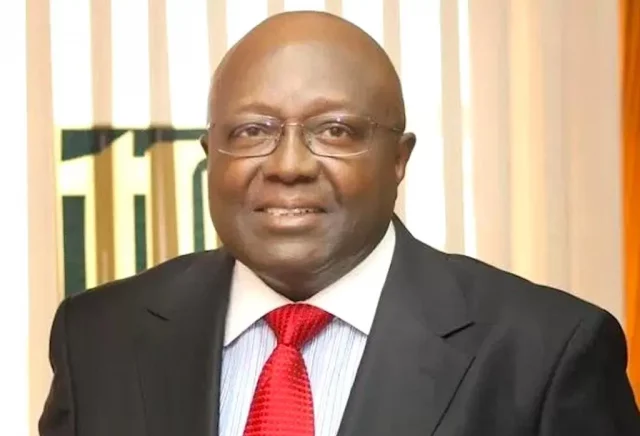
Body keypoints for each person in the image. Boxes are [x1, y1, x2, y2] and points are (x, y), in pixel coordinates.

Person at [39, 11, 640, 436]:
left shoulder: (546, 352)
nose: (289, 166)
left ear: (398, 159)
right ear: (209, 155)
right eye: (251, 131)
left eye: (335, 131)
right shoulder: (96, 340)